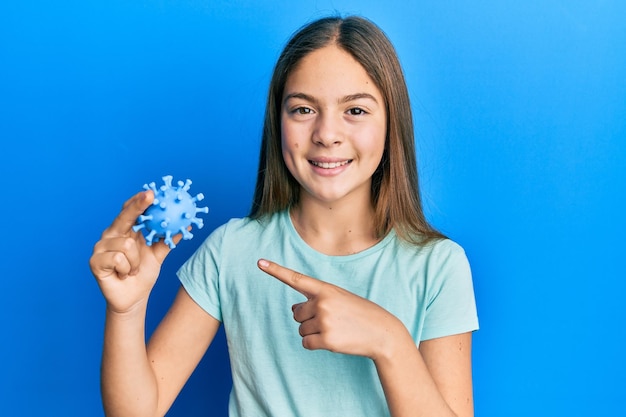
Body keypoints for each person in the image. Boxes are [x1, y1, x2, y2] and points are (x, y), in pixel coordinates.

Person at [90, 15, 479, 417]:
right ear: (278, 121)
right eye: (304, 109)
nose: (327, 133)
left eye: (356, 111)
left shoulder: (438, 266)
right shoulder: (231, 251)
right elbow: (137, 411)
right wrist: (127, 311)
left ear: (391, 123)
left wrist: (390, 342)